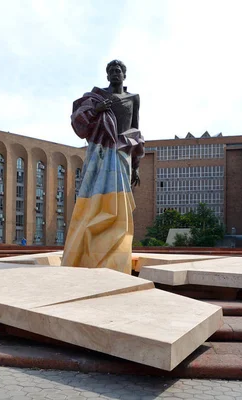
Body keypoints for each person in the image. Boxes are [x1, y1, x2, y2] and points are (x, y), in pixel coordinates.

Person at [61, 60, 145, 274]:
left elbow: (135, 131)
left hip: (122, 154)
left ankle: (116, 250)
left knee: (119, 205)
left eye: (119, 70)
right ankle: (89, 245)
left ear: (124, 75)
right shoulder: (97, 96)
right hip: (100, 154)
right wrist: (97, 109)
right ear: (107, 76)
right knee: (94, 200)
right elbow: (78, 120)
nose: (115, 73)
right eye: (112, 71)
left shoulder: (133, 99)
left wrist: (136, 165)